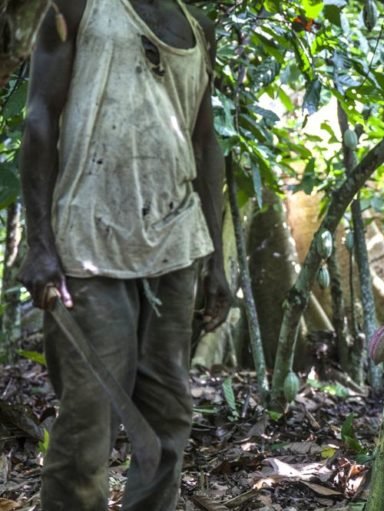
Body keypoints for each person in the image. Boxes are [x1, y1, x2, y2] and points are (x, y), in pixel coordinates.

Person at [17, 1, 231, 509]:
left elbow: (204, 142)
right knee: (88, 422)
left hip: (175, 246)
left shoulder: (198, 27)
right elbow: (40, 116)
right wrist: (40, 243)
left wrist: (217, 262)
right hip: (89, 243)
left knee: (167, 417)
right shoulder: (76, 7)